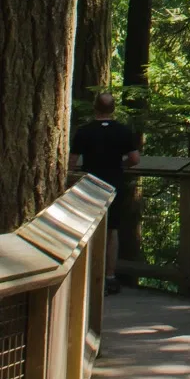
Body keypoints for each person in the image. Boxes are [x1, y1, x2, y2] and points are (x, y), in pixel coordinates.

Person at [70, 91, 141, 296]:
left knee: (88, 229)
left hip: (89, 185)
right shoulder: (123, 131)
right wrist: (121, 165)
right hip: (114, 185)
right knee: (112, 230)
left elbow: (72, 162)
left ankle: (88, 275)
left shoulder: (84, 132)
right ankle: (109, 276)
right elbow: (135, 159)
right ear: (113, 109)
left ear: (95, 107)